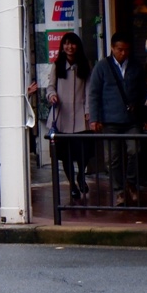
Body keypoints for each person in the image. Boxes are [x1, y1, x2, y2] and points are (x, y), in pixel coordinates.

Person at [87, 33, 147, 206]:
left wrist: (143, 111)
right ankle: (118, 190)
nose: (123, 53)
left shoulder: (136, 66)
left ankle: (130, 181)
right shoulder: (102, 67)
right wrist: (95, 118)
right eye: (120, 49)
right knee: (112, 158)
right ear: (113, 48)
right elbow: (94, 93)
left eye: (126, 50)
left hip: (132, 119)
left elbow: (143, 91)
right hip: (110, 119)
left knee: (135, 150)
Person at [46, 33, 91, 204]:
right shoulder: (56, 66)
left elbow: (89, 90)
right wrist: (52, 96)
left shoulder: (85, 66)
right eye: (66, 44)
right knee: (66, 155)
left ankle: (81, 176)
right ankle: (72, 184)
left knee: (83, 153)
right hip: (62, 117)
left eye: (72, 44)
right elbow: (50, 86)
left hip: (81, 118)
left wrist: (88, 111)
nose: (69, 47)